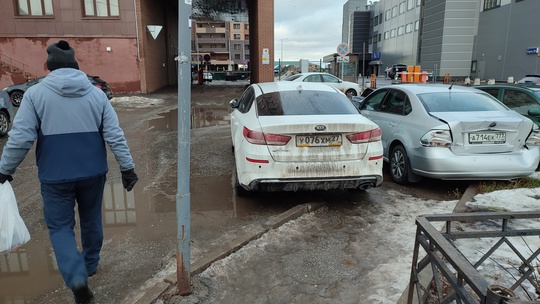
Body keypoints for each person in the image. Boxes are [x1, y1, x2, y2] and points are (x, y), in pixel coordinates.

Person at [0, 40, 138, 304]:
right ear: (75, 65)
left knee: (60, 228)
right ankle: (90, 265)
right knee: (91, 219)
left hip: (55, 176)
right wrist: (127, 167)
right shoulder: (96, 95)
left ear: (49, 67)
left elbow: (20, 138)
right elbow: (114, 135)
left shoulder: (35, 95)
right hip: (93, 173)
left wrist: (5, 170)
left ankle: (76, 280)